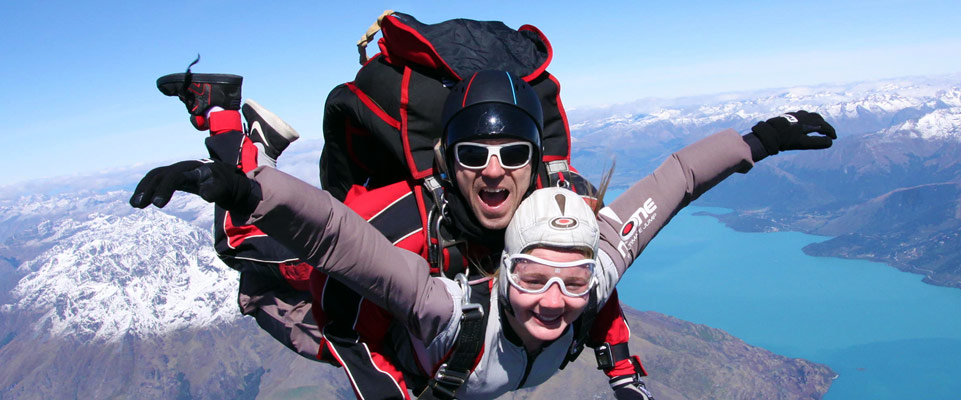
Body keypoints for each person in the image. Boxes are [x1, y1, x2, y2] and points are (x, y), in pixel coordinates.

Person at [132, 69, 837, 399]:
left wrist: (760, 139)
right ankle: (227, 118)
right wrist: (248, 190)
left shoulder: (587, 250)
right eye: (474, 154)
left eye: (570, 281)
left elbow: (675, 182)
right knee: (241, 247)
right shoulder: (440, 302)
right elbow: (336, 241)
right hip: (364, 280)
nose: (558, 299)